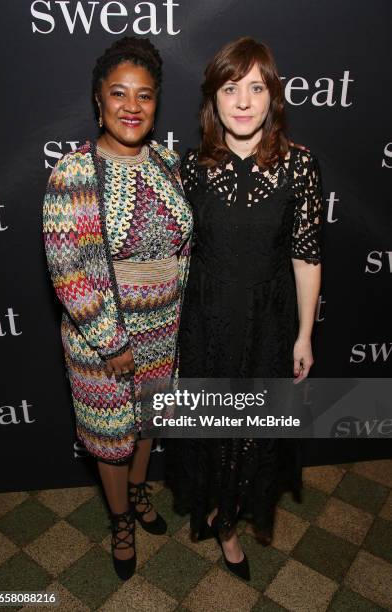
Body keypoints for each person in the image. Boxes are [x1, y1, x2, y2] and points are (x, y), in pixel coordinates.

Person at [168, 37, 322, 581]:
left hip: (268, 324)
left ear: (272, 96)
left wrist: (304, 335)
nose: (243, 100)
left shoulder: (300, 165)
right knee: (212, 426)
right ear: (214, 99)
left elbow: (306, 256)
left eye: (256, 87)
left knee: (253, 429)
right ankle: (224, 523)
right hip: (206, 322)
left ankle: (230, 516)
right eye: (231, 88)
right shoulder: (192, 166)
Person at [43, 36, 192, 581]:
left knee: (147, 425)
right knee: (110, 439)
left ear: (156, 105)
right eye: (119, 94)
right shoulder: (74, 174)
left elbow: (184, 250)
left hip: (163, 333)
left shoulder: (170, 164)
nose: (132, 106)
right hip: (103, 343)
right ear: (98, 101)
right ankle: (120, 520)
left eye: (145, 95)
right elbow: (68, 272)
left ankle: (138, 492)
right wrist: (113, 341)